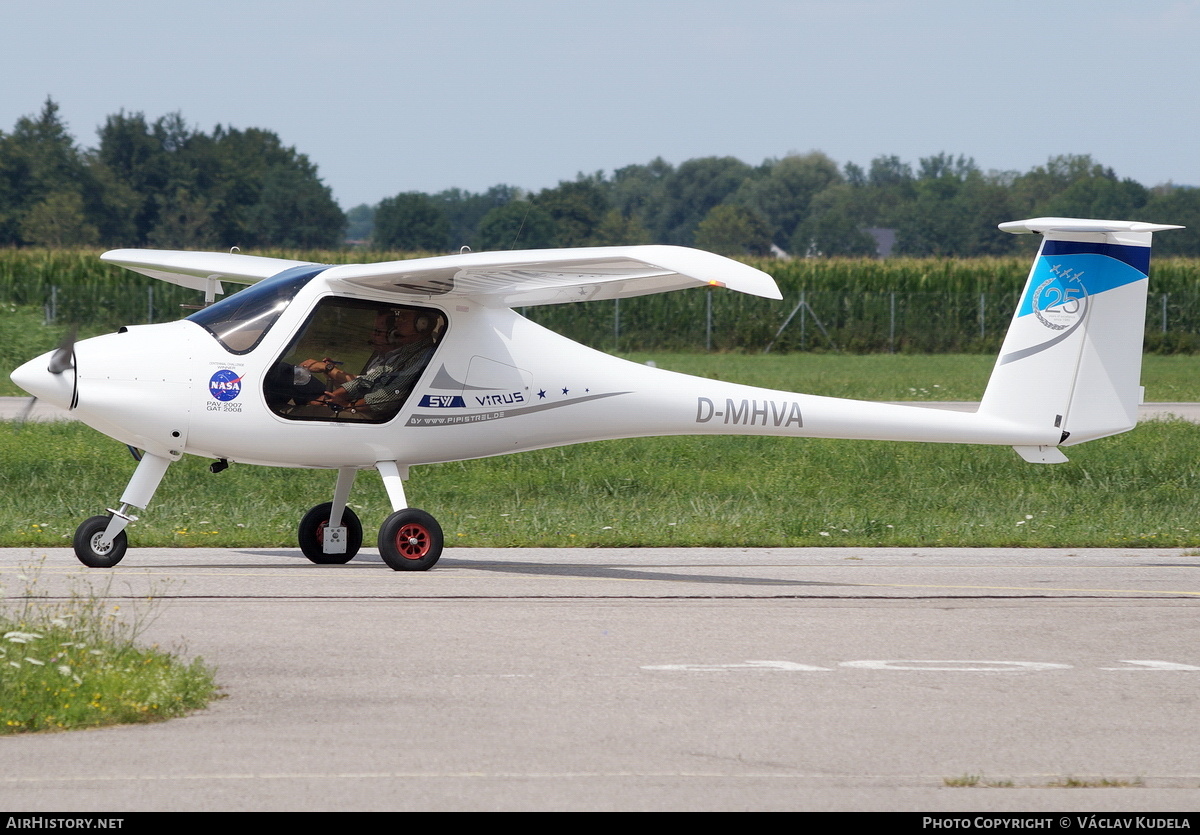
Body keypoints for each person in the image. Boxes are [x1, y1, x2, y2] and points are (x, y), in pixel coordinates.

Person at [301, 308, 438, 417]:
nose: (397, 323)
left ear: (422, 325)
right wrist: (333, 398)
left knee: (305, 415)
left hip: (379, 417)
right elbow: (367, 380)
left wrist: (349, 406)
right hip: (362, 406)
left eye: (403, 319)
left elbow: (391, 395)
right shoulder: (406, 352)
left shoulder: (423, 355)